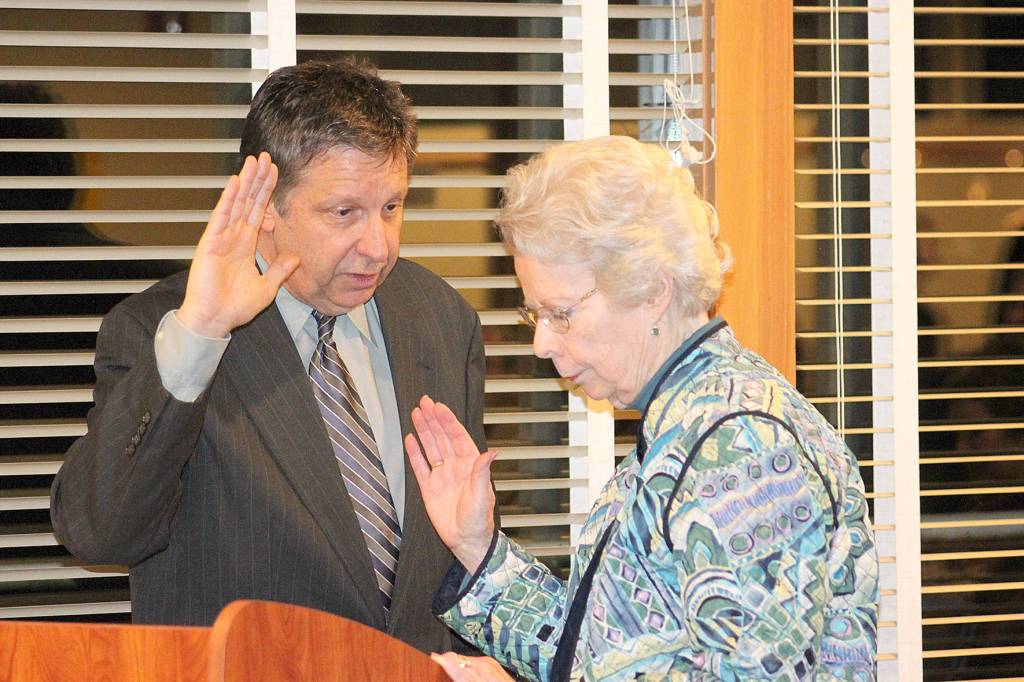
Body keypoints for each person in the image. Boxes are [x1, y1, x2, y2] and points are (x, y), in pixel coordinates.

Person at [50, 59, 487, 654]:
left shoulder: (440, 317)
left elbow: (455, 551)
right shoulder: (165, 329)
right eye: (344, 213)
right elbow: (100, 534)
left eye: (391, 206)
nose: (378, 245)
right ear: (266, 207)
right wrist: (201, 333)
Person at [405, 135, 880, 680]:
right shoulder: (688, 424)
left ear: (653, 289)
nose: (541, 343)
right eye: (535, 315)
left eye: (560, 314)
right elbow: (604, 657)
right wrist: (477, 546)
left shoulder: (744, 445)